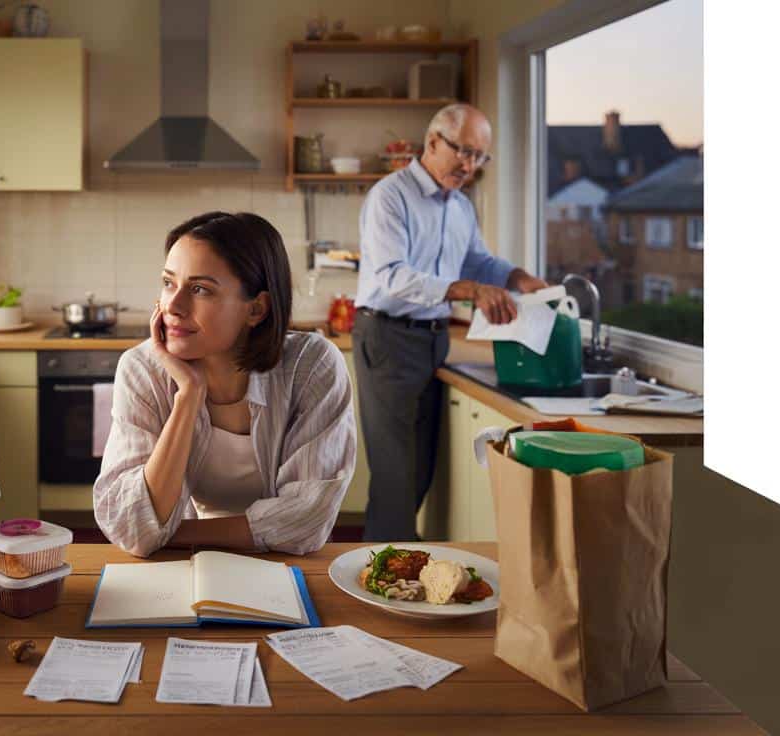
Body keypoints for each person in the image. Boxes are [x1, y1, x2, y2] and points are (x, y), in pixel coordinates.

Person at [93, 212, 356, 558]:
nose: (173, 306)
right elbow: (131, 526)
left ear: (256, 309)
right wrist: (189, 396)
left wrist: (170, 535)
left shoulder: (311, 365)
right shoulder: (143, 368)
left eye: (200, 289)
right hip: (186, 562)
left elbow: (306, 522)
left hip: (284, 561)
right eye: (169, 283)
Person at [353, 103, 549, 542]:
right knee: (395, 475)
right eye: (464, 152)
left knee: (421, 469)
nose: (470, 165)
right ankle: (381, 568)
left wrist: (516, 277)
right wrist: (470, 290)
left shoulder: (459, 206)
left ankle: (400, 558)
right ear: (432, 142)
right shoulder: (391, 196)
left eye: (479, 156)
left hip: (434, 340)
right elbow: (392, 275)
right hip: (388, 338)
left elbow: (477, 260)